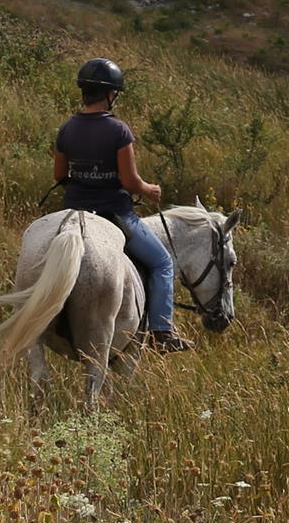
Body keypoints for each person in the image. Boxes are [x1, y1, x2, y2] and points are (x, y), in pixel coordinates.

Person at [51, 56, 191, 352]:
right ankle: (161, 332)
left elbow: (60, 175)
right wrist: (149, 189)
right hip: (114, 213)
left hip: (73, 210)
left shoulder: (67, 128)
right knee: (163, 263)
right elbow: (130, 182)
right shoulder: (119, 131)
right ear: (109, 94)